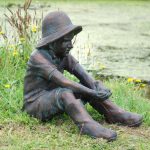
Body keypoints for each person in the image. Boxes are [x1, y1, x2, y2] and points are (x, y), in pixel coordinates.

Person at [22, 11, 143, 141]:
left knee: (87, 85)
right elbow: (64, 82)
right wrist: (92, 93)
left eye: (71, 40)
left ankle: (113, 113)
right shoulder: (38, 58)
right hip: (35, 104)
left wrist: (97, 87)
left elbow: (85, 76)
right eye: (66, 41)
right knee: (65, 93)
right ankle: (87, 125)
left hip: (53, 96)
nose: (71, 45)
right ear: (52, 42)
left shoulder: (63, 55)